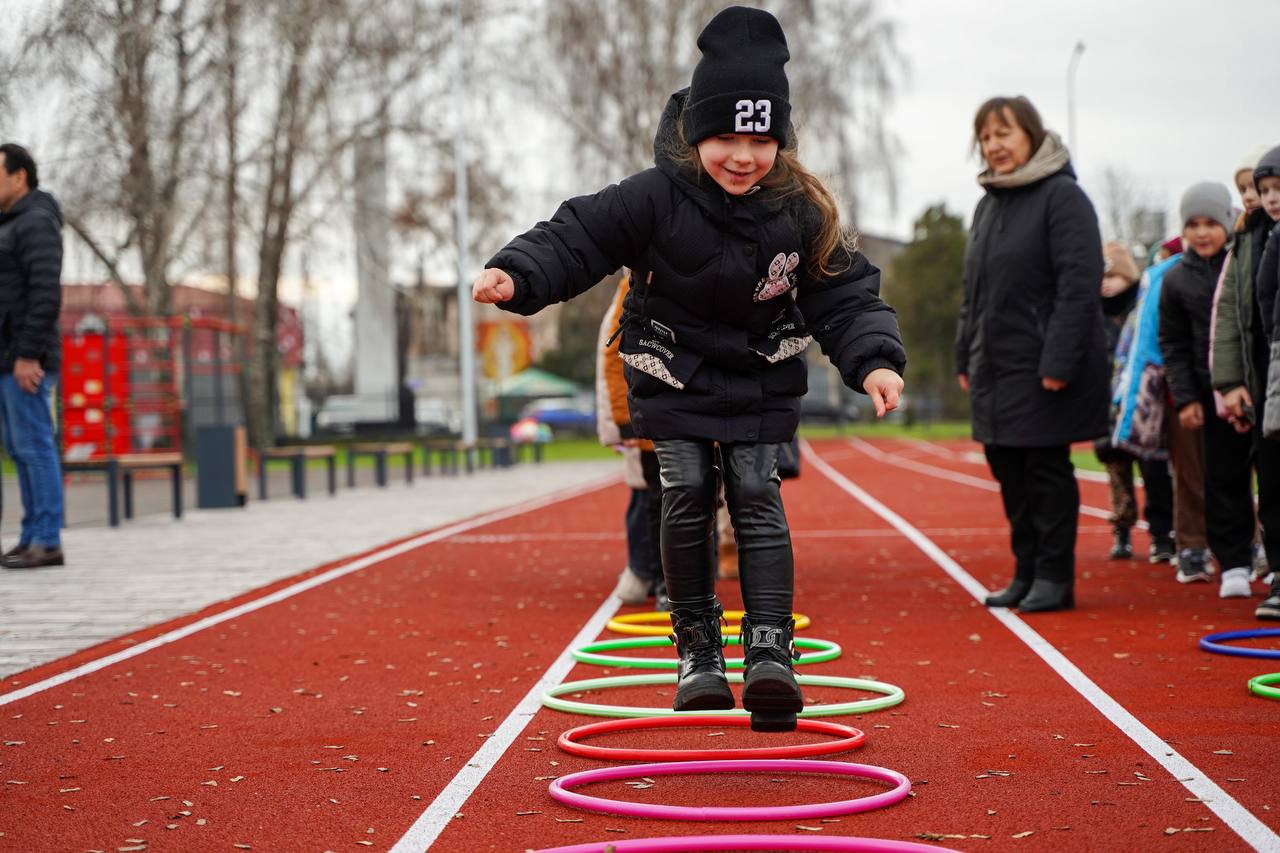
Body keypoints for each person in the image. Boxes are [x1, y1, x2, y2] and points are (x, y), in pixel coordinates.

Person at [473, 6, 906, 731]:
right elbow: (578, 235)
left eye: (760, 139)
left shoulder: (798, 209)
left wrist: (876, 363)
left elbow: (846, 293)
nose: (743, 155)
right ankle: (698, 650)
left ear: (781, 139)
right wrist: (517, 273)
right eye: (726, 137)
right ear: (695, 130)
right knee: (688, 493)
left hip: (762, 369)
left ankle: (770, 652)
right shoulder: (653, 195)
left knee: (757, 495)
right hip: (672, 368)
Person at [955, 96, 1108, 613]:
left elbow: (1079, 285)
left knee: (1044, 470)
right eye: (986, 137)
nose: (994, 146)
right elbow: (973, 291)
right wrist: (963, 355)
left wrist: (1059, 361)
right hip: (993, 363)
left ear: (1032, 136)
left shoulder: (1063, 197)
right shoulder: (988, 202)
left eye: (1005, 133)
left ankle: (1054, 577)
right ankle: (1025, 572)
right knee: (1008, 467)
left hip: (1042, 364)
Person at [1159, 181, 1253, 597]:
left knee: (1268, 476)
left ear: (1227, 222)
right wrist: (1186, 399)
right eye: (1193, 224)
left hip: (1254, 389)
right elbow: (1172, 345)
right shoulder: (1175, 280)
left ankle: (1265, 551)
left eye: (1211, 223)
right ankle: (1232, 560)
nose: (1202, 233)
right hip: (1208, 395)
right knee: (1221, 477)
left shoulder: (1248, 262)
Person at [1212, 146, 1279, 593]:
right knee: (1271, 478)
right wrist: (1231, 381)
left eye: (1277, 189)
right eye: (1262, 190)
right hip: (1263, 377)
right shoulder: (1248, 240)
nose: (1269, 198)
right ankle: (1277, 571)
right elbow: (1229, 315)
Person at [0, 143, 65, 570]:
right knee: (20, 448)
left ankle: (47, 539)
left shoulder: (36, 222)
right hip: (7, 358)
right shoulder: (11, 223)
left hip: (25, 360)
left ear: (18, 176)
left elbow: (45, 294)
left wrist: (27, 354)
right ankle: (30, 536)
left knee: (35, 446)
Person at [1095, 241, 1174, 561]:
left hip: (1142, 400)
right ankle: (1122, 529)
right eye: (1102, 275)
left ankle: (1161, 534)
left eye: (1113, 274)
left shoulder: (1143, 307)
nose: (1107, 281)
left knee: (1154, 468)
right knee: (1116, 470)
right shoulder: (1091, 313)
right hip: (1105, 403)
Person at [596, 273, 666, 608]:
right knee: (657, 502)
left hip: (701, 411)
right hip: (653, 418)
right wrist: (622, 420)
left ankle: (686, 582)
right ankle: (658, 578)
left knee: (701, 499)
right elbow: (612, 354)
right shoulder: (633, 285)